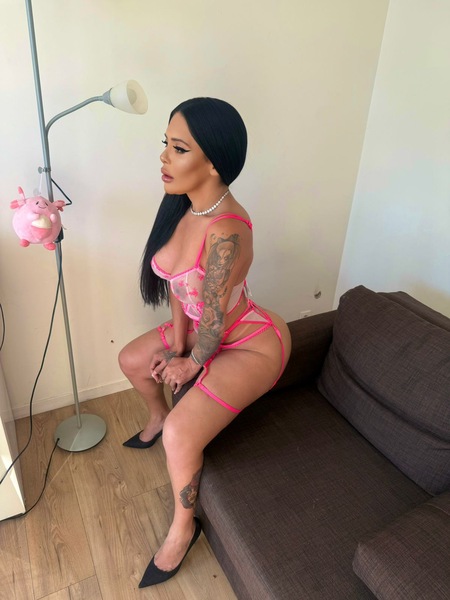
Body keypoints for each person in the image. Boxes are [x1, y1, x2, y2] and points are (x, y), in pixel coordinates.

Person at [118, 97, 292, 588]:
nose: (163, 157)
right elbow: (178, 288)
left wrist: (188, 363)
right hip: (203, 330)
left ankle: (183, 527)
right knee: (131, 360)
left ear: (214, 162)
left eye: (178, 149)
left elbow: (214, 322)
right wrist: (175, 347)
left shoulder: (227, 232)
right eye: (166, 145)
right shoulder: (182, 208)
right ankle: (155, 417)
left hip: (249, 343)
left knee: (181, 434)